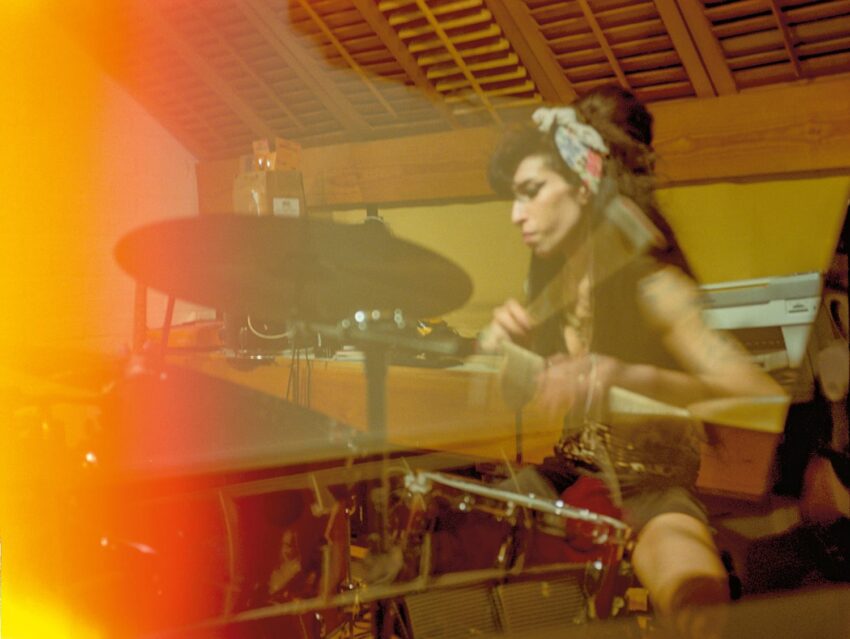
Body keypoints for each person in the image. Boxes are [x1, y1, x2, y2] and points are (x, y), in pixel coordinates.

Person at [480, 86, 784, 625]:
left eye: (530, 191)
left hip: (652, 491)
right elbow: (514, 396)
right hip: (567, 476)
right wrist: (511, 355)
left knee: (698, 604)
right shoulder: (553, 283)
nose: (514, 214)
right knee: (453, 542)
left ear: (584, 183)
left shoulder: (655, 288)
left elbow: (757, 396)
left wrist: (624, 375)